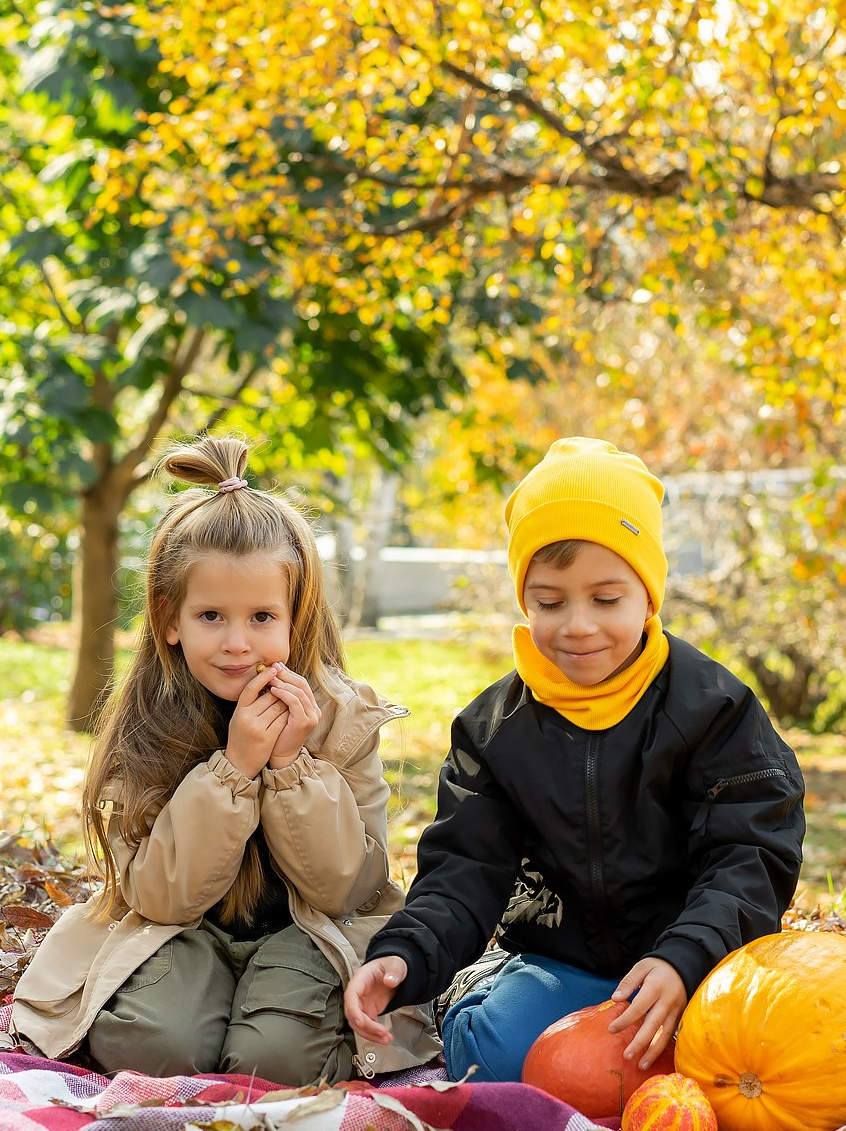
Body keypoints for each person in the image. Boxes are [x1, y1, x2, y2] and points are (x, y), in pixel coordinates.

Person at [342, 437, 805, 1085]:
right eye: (551, 602)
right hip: (567, 962)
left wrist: (684, 957)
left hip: (700, 959)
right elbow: (464, 872)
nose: (578, 625)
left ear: (649, 593)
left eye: (606, 598)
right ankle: (479, 992)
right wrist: (403, 953)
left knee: (760, 1070)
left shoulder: (714, 709)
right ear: (525, 599)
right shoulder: (495, 729)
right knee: (493, 1058)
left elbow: (750, 856)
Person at [10, 435, 437, 1085]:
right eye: (211, 615)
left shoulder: (344, 717)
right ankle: (211, 1013)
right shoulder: (145, 724)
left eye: (262, 615)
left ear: (297, 618)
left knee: (278, 1060)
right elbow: (159, 896)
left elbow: (348, 888)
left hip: (310, 929)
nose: (238, 643)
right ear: (170, 617)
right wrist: (234, 771)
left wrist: (292, 768)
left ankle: (258, 1020)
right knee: (150, 1045)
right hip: (181, 929)